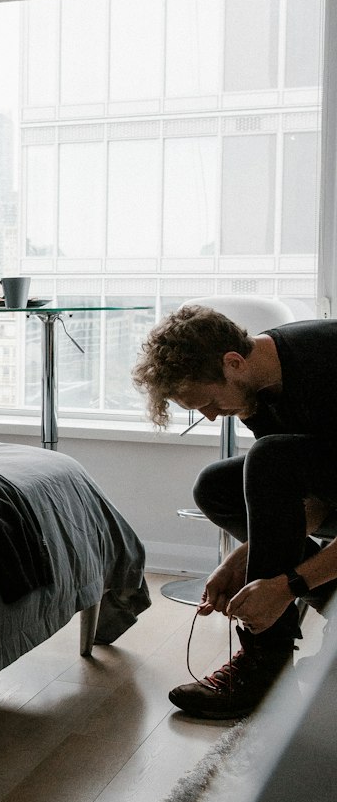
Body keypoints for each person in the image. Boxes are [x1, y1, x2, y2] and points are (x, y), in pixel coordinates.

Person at [132, 304, 337, 718]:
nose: (210, 416)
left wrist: (289, 586)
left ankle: (265, 662)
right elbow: (311, 502)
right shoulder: (257, 394)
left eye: (207, 401)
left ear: (233, 362)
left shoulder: (326, 362)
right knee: (216, 486)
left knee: (268, 458)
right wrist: (239, 561)